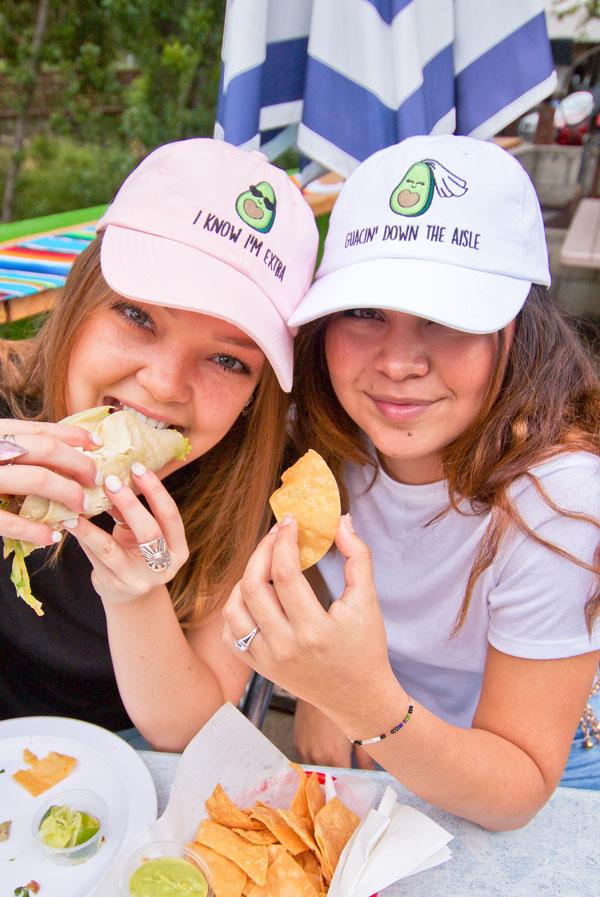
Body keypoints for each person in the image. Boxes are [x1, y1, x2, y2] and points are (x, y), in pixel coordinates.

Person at [222, 135, 600, 829]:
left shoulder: (561, 500)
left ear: (522, 330)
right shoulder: (320, 430)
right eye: (364, 311)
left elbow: (518, 785)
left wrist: (356, 704)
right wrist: (331, 695)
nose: (397, 362)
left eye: (448, 316)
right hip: (387, 718)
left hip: (540, 758)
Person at [0, 138, 318, 751]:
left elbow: (192, 733)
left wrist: (136, 597)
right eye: (137, 316)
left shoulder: (256, 492)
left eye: (228, 360)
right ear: (80, 300)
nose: (165, 384)